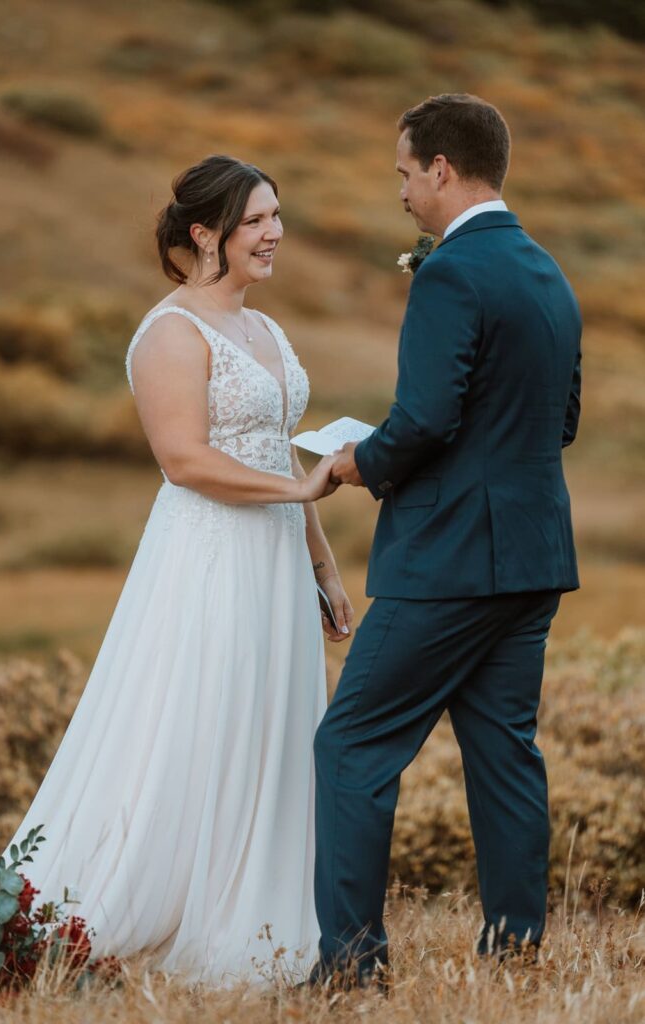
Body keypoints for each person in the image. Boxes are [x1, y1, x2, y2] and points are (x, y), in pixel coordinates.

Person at [1, 155, 352, 985]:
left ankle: (253, 899)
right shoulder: (168, 332)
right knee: (199, 717)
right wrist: (299, 484)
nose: (275, 235)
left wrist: (323, 563)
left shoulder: (265, 330)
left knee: (269, 720)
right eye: (257, 221)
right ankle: (135, 908)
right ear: (206, 233)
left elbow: (277, 450)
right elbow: (185, 461)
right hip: (209, 557)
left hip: (275, 558)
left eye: (277, 217)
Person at [311, 93, 582, 986]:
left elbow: (424, 418)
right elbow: (562, 419)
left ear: (440, 169)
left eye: (402, 172)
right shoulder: (546, 270)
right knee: (505, 753)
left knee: (350, 745)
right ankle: (515, 953)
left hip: (449, 561)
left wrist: (361, 461)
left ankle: (352, 967)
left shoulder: (450, 273)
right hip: (532, 556)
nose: (398, 190)